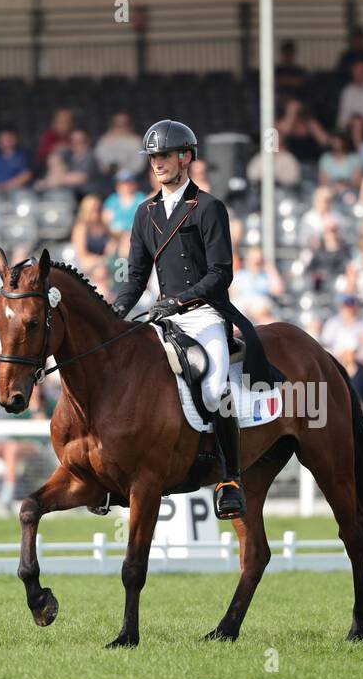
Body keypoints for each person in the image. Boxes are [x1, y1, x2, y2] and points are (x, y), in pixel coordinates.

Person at [111, 119, 271, 520]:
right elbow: (134, 278)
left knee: (216, 388)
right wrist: (113, 314)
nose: (158, 164)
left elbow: (221, 273)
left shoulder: (209, 208)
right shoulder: (144, 213)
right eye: (153, 158)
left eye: (164, 156)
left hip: (203, 315)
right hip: (163, 320)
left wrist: (179, 299)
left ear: (185, 157)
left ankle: (230, 479)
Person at [0, 386, 49, 513]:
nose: (35, 390)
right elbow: (12, 425)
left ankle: (8, 494)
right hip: (16, 444)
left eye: (37, 388)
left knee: (12, 449)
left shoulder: (48, 403)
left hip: (39, 446)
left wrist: (37, 410)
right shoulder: (20, 404)